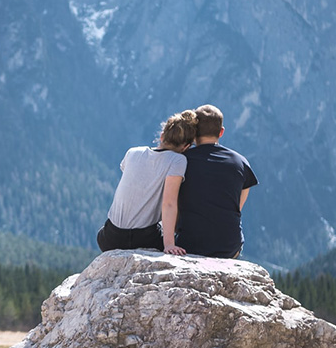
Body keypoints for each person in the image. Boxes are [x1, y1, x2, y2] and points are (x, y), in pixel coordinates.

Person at [97, 110, 197, 255]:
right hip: (143, 238)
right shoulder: (178, 160)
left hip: (110, 237)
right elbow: (169, 203)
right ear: (186, 147)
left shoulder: (132, 152)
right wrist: (169, 244)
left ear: (162, 136)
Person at [177, 104, 258, 258]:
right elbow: (237, 206)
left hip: (189, 245)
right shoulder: (241, 162)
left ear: (194, 132)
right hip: (229, 247)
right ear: (221, 132)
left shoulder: (181, 161)